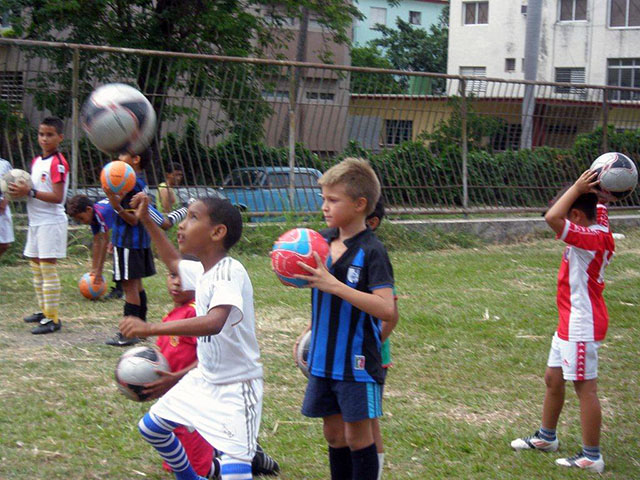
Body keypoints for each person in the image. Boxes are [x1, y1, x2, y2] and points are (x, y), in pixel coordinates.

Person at [120, 193, 263, 480]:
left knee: (236, 472)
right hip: (204, 379)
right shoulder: (204, 272)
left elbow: (214, 322)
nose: (182, 225)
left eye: (193, 217)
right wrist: (147, 220)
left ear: (217, 232)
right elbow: (173, 261)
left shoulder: (229, 271)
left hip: (236, 387)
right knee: (152, 427)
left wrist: (150, 329)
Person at [292, 158, 396, 480]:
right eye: (323, 198)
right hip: (323, 358)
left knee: (357, 437)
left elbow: (386, 309)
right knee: (334, 435)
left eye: (333, 200)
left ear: (360, 204)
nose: (325, 206)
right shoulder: (318, 244)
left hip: (357, 361)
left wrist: (335, 286)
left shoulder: (372, 251)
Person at [510, 169, 615, 473]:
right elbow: (590, 210)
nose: (564, 221)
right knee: (553, 380)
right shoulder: (598, 226)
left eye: (570, 214)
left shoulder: (589, 239)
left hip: (581, 324)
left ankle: (592, 456)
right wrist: (593, 189)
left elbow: (550, 218)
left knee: (586, 389)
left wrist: (577, 187)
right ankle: (546, 437)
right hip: (570, 322)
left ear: (578, 218)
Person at [145, 267, 279, 479]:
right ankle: (229, 453)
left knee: (204, 468)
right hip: (183, 394)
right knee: (159, 439)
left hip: (210, 392)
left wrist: (175, 377)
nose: (177, 282)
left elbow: (208, 351)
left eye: (182, 276)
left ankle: (252, 458)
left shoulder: (196, 311)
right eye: (172, 276)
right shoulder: (171, 315)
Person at [8, 117, 69, 334]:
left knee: (47, 268)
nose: (44, 138)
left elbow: (58, 196)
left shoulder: (58, 163)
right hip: (36, 220)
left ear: (60, 137)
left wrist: (30, 192)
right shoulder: (36, 161)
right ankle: (44, 311)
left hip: (50, 221)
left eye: (50, 134)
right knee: (36, 267)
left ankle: (53, 319)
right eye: (41, 134)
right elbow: (32, 189)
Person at [66, 194, 187, 296]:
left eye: (81, 218)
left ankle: (186, 208)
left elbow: (103, 242)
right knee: (118, 253)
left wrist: (99, 271)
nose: (82, 222)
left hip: (139, 208)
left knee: (165, 224)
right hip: (124, 224)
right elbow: (97, 241)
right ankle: (119, 288)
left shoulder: (100, 214)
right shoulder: (93, 217)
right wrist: (94, 269)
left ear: (88, 209)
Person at [104, 149, 156, 346]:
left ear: (135, 160)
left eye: (122, 156)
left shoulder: (130, 184)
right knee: (137, 285)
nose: (118, 160)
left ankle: (129, 333)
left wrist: (115, 204)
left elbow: (133, 219)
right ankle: (141, 328)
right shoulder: (139, 182)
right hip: (135, 242)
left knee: (130, 288)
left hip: (129, 243)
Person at [0, 157, 15, 259]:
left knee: (4, 243)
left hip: (1, 206)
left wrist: (5, 201)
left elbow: (13, 184)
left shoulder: (4, 164)